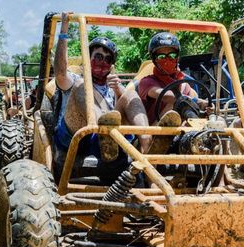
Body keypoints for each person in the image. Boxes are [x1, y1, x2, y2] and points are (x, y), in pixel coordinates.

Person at [53, 11, 151, 163]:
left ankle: (147, 144)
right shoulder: (75, 80)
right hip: (76, 137)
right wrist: (64, 31)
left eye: (107, 59)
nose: (102, 62)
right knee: (82, 86)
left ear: (112, 64)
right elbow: (60, 72)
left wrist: (118, 91)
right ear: (88, 58)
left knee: (130, 96)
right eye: (98, 57)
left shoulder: (114, 86)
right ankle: (104, 131)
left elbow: (124, 111)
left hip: (110, 141)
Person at [138, 32, 213, 125]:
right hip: (154, 131)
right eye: (161, 56)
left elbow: (194, 112)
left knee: (217, 120)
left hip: (180, 131)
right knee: (175, 101)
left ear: (177, 57)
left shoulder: (185, 86)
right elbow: (166, 96)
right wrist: (196, 101)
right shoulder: (147, 82)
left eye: (172, 55)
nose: (167, 60)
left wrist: (206, 109)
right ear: (154, 59)